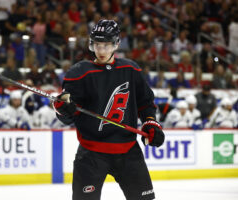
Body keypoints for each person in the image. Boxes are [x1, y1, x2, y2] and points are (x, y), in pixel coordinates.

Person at [53, 20, 165, 200]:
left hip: (128, 151)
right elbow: (68, 116)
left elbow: (146, 103)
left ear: (116, 44)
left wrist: (151, 123)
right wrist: (63, 109)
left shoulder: (131, 69)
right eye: (97, 45)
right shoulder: (79, 72)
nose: (101, 51)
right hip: (91, 153)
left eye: (106, 45)